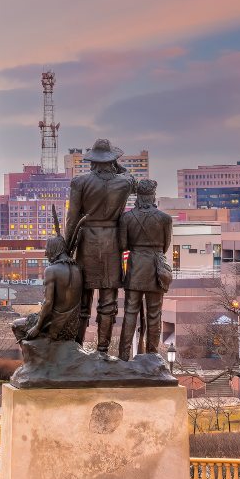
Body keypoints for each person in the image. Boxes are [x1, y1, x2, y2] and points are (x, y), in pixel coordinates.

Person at [65, 138, 136, 357]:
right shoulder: (124, 182)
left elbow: (72, 217)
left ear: (92, 160)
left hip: (88, 240)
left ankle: (77, 347)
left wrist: (66, 249)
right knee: (109, 300)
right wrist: (117, 165)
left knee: (82, 297)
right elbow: (130, 177)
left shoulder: (80, 182)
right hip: (113, 241)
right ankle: (103, 350)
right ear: (113, 160)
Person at [118, 179, 173, 361]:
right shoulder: (165, 219)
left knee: (130, 312)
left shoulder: (126, 218)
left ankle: (124, 355)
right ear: (153, 196)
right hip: (156, 268)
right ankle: (152, 354)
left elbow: (123, 245)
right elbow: (165, 246)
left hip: (135, 267)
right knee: (154, 313)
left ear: (138, 197)